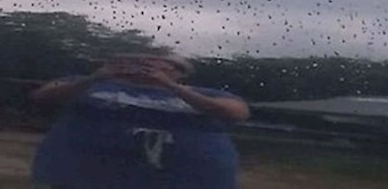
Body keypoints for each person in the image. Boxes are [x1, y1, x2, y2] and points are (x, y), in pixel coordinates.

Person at [30, 52, 249, 188]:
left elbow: (235, 113)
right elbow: (44, 97)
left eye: (156, 64)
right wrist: (97, 77)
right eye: (136, 61)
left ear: (179, 72)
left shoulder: (205, 92)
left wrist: (170, 87)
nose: (144, 66)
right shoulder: (87, 84)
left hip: (183, 179)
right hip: (87, 175)